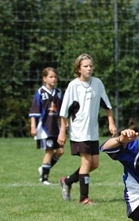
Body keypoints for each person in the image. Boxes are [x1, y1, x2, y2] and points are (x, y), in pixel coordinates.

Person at [58, 53, 117, 205]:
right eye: (85, 66)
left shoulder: (97, 83)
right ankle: (84, 198)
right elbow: (63, 111)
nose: (89, 68)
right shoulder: (73, 86)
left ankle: (67, 181)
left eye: (91, 66)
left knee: (94, 164)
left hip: (92, 131)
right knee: (86, 162)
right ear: (78, 69)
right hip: (79, 131)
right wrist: (62, 132)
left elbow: (107, 105)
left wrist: (111, 123)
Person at [29, 67, 64, 184]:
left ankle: (43, 168)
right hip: (45, 128)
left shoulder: (58, 93)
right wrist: (33, 126)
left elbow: (62, 110)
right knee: (49, 151)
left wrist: (64, 122)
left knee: (60, 151)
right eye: (51, 77)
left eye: (55, 77)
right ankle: (44, 178)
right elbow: (34, 111)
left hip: (56, 128)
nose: (53, 79)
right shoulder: (41, 92)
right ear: (44, 78)